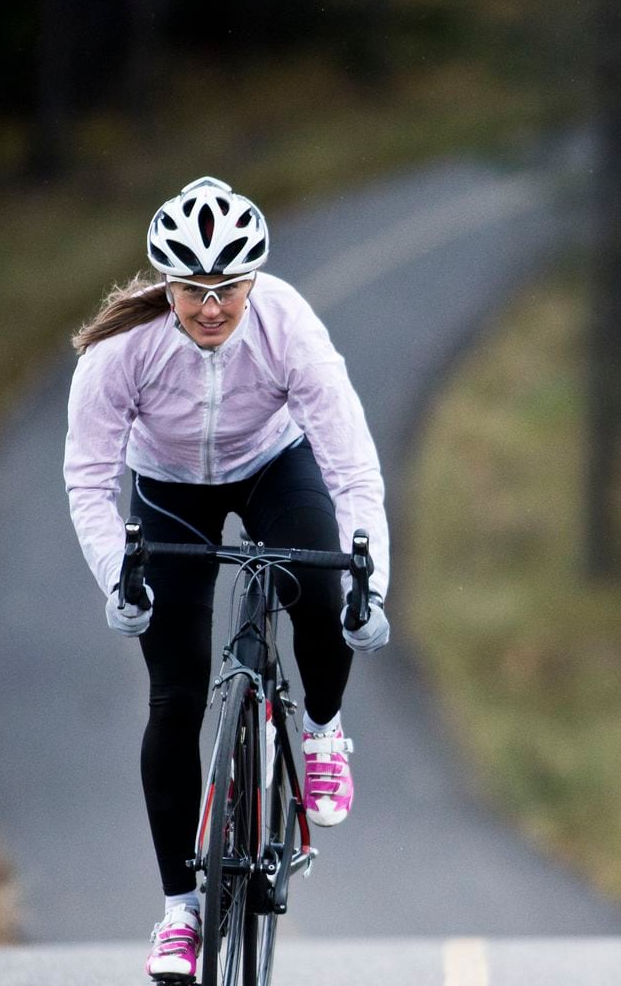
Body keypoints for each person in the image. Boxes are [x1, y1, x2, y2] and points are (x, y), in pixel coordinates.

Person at [62, 175, 391, 982]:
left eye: (228, 288)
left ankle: (320, 728)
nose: (211, 307)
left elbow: (351, 467)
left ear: (254, 281)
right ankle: (179, 911)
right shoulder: (120, 350)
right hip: (167, 488)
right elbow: (88, 475)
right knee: (174, 697)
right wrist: (119, 576)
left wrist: (368, 583)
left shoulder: (290, 329)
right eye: (192, 289)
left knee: (320, 586)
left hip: (272, 467)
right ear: (165, 285)